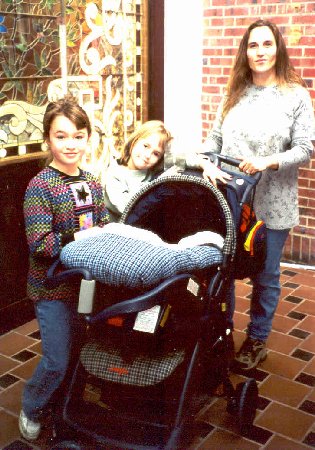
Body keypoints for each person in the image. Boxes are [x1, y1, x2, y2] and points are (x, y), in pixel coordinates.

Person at [202, 19, 314, 370]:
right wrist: (207, 163)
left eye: (267, 44)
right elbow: (213, 142)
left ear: (277, 48)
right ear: (245, 51)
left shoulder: (295, 94)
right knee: (225, 268)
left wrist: (268, 161)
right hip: (231, 199)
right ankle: (221, 334)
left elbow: (305, 148)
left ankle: (257, 339)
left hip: (273, 202)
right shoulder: (234, 90)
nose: (260, 51)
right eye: (253, 45)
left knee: (265, 274)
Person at [19, 95, 109, 440]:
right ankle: (32, 405)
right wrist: (86, 234)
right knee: (56, 359)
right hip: (52, 287)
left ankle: (66, 403)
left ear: (88, 138)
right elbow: (40, 245)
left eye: (78, 135)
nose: (70, 144)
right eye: (61, 136)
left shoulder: (92, 182)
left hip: (86, 286)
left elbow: (100, 225)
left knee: (80, 352)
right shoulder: (40, 186)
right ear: (48, 140)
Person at [103, 120, 229, 221]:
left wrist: (204, 164)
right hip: (119, 232)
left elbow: (182, 158)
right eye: (145, 146)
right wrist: (158, 182)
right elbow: (128, 207)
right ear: (134, 141)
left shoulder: (153, 169)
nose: (147, 155)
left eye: (156, 154)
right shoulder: (114, 174)